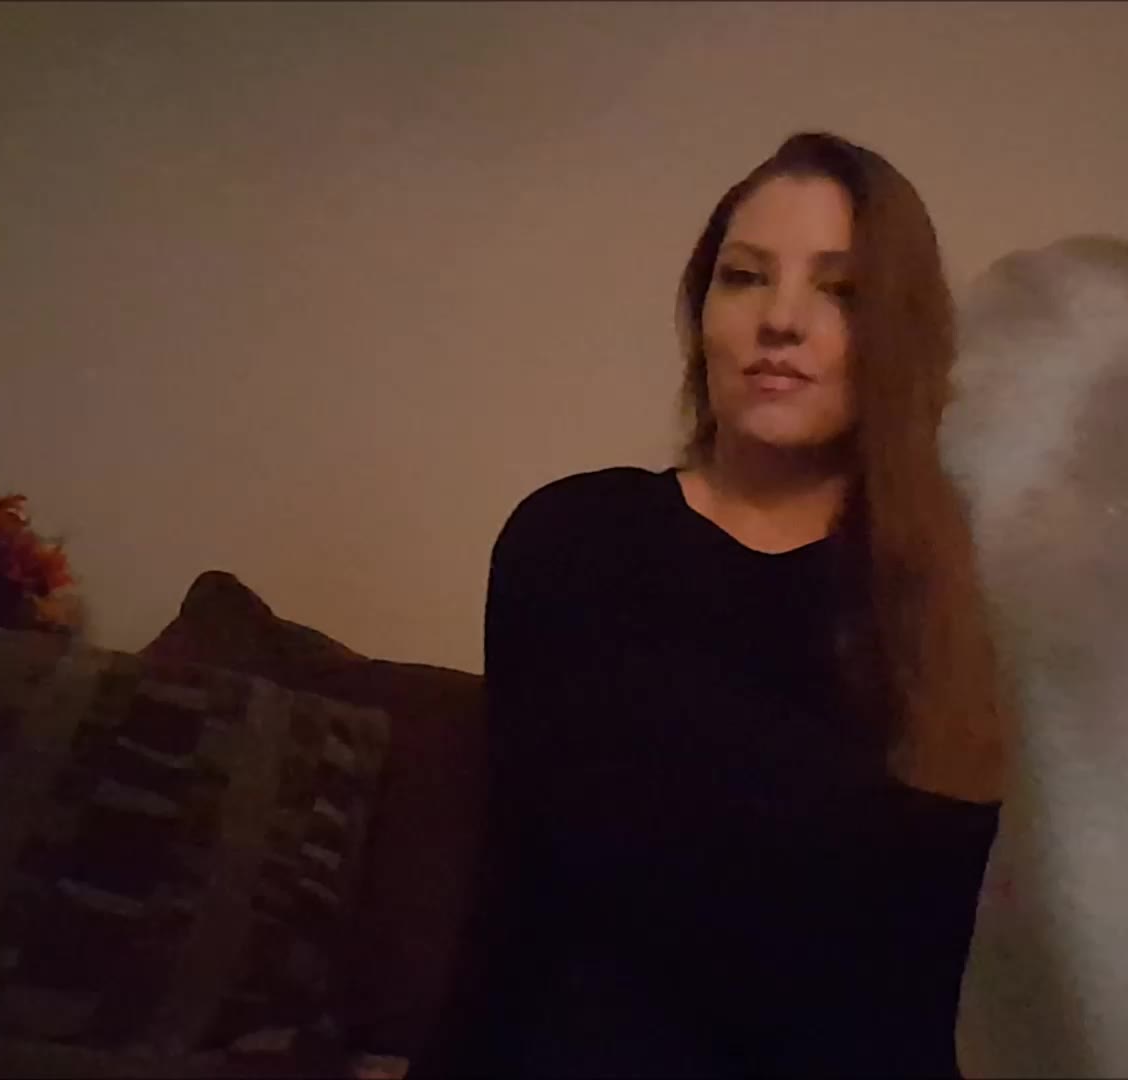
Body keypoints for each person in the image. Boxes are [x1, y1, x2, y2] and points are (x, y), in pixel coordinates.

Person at [411, 131, 1014, 1077]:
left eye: (841, 290)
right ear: (702, 312)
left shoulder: (952, 595)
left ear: (897, 334)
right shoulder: (570, 542)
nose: (781, 319)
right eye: (744, 277)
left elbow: (925, 991)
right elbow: (513, 903)